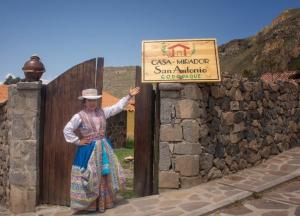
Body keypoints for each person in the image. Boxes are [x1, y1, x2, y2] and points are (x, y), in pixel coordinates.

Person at [63, 87, 140, 213]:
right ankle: (89, 205)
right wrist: (78, 141)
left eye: (94, 100)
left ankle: (103, 202)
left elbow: (117, 107)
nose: (92, 103)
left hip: (103, 147)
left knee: (104, 174)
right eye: (89, 101)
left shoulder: (103, 112)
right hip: (88, 149)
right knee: (89, 174)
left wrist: (129, 96)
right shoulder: (79, 116)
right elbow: (67, 129)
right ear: (84, 102)